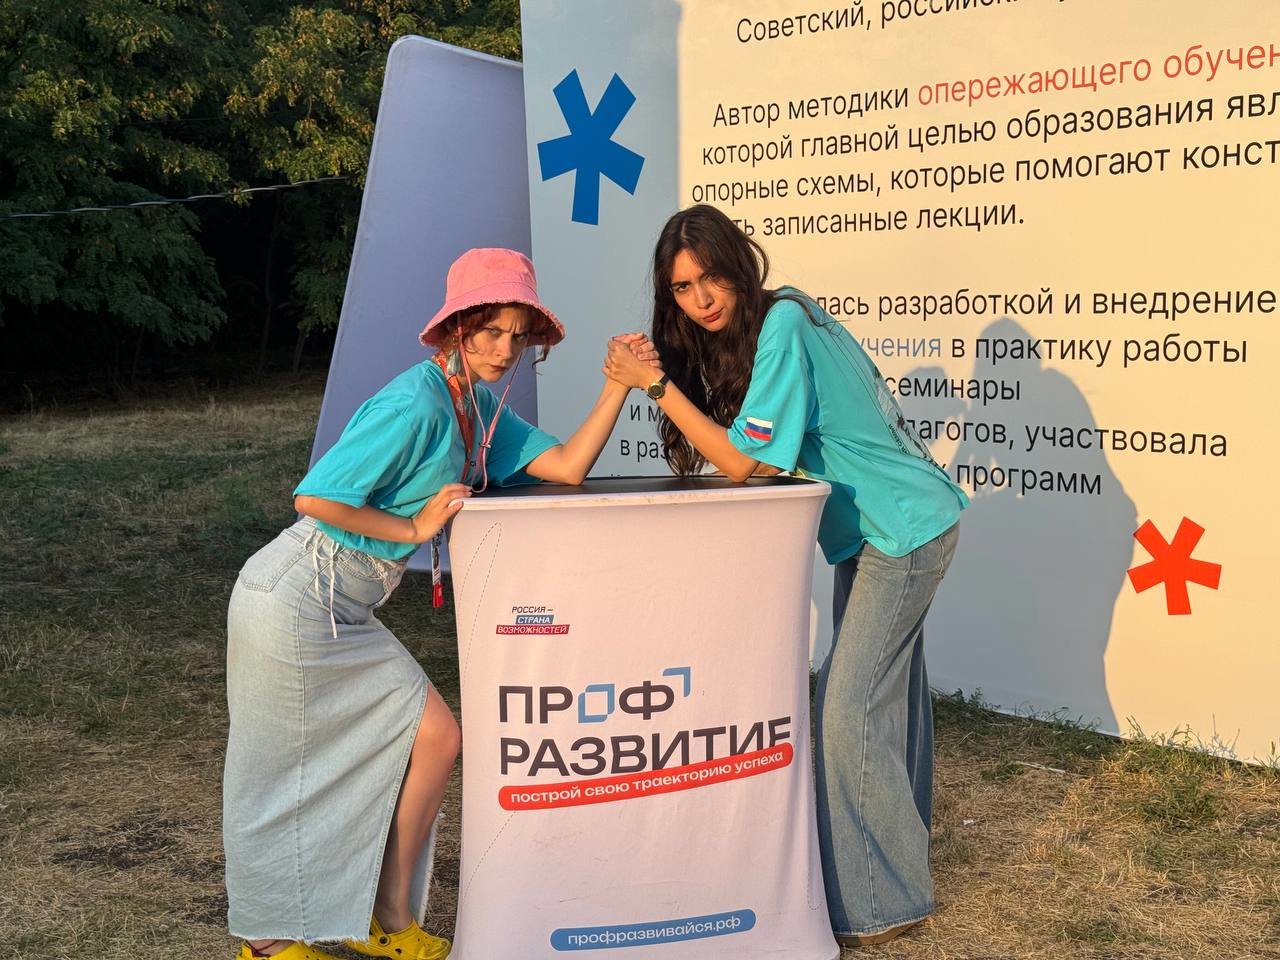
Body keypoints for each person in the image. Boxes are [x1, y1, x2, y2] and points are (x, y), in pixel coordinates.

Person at [224, 248, 650, 960]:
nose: (505, 349)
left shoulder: (474, 407)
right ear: (457, 327)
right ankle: (266, 945)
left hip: (345, 609)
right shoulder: (416, 402)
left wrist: (618, 386)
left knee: (436, 738)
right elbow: (316, 497)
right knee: (279, 769)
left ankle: (386, 918)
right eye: (491, 330)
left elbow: (568, 468)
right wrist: (416, 528)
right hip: (294, 596)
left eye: (518, 335)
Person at [604, 205, 968, 947]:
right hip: (876, 530)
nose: (701, 299)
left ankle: (881, 903)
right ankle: (896, 870)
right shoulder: (775, 319)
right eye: (682, 288)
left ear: (738, 264)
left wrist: (656, 386)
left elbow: (746, 462)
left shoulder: (785, 324)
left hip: (902, 530)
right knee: (882, 702)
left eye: (710, 277)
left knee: (847, 710)